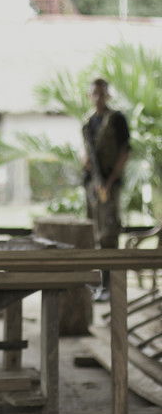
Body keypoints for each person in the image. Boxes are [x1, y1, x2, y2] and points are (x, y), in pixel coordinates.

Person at [82, 78, 130, 300]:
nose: (98, 98)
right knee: (94, 232)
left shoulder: (117, 119)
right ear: (89, 96)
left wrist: (110, 181)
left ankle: (111, 285)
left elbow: (125, 152)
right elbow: (86, 151)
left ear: (108, 95)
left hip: (110, 183)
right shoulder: (88, 122)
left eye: (102, 93)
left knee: (109, 234)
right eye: (95, 93)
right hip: (92, 185)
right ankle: (99, 283)